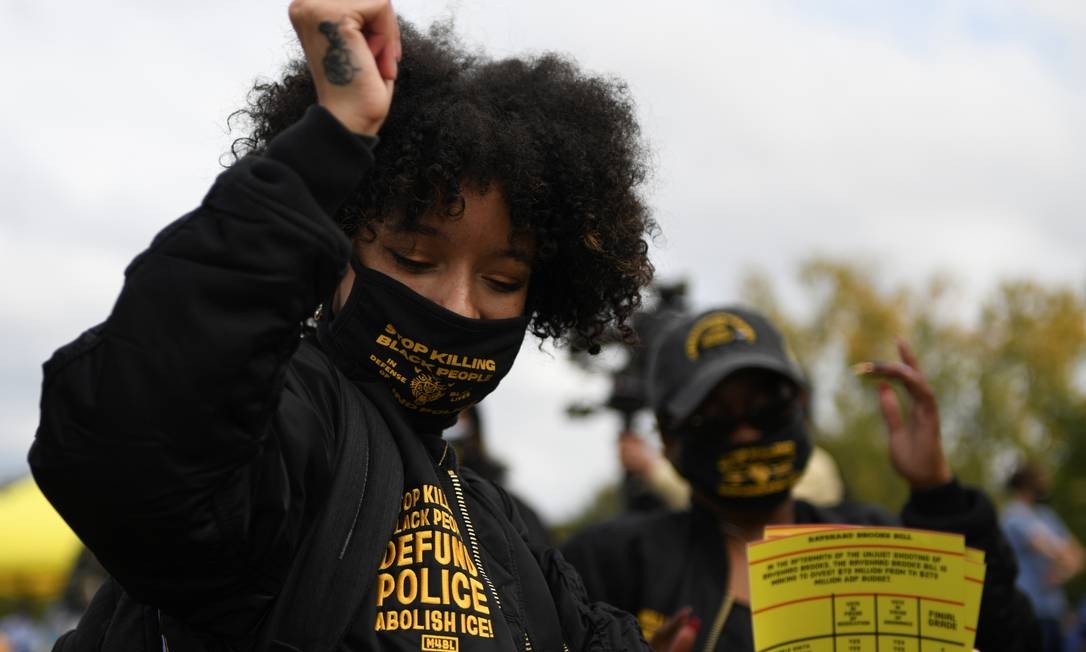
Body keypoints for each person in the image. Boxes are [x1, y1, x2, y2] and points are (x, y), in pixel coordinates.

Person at [29, 2, 664, 650]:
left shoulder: (508, 534)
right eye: (414, 259)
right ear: (336, 254)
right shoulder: (279, 438)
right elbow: (137, 439)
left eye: (503, 281)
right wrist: (332, 139)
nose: (456, 306)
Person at [562, 305, 1041, 651]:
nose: (747, 430)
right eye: (715, 416)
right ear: (668, 438)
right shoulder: (610, 564)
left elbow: (1011, 637)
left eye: (768, 406)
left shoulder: (874, 546)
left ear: (802, 410)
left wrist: (938, 491)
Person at [1002, 461, 1085, 652]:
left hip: (1054, 611)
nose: (1046, 483)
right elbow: (1047, 548)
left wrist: (1063, 572)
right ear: (1027, 483)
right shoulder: (1014, 515)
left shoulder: (1046, 515)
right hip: (1029, 612)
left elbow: (1079, 555)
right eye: (1041, 478)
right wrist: (1065, 558)